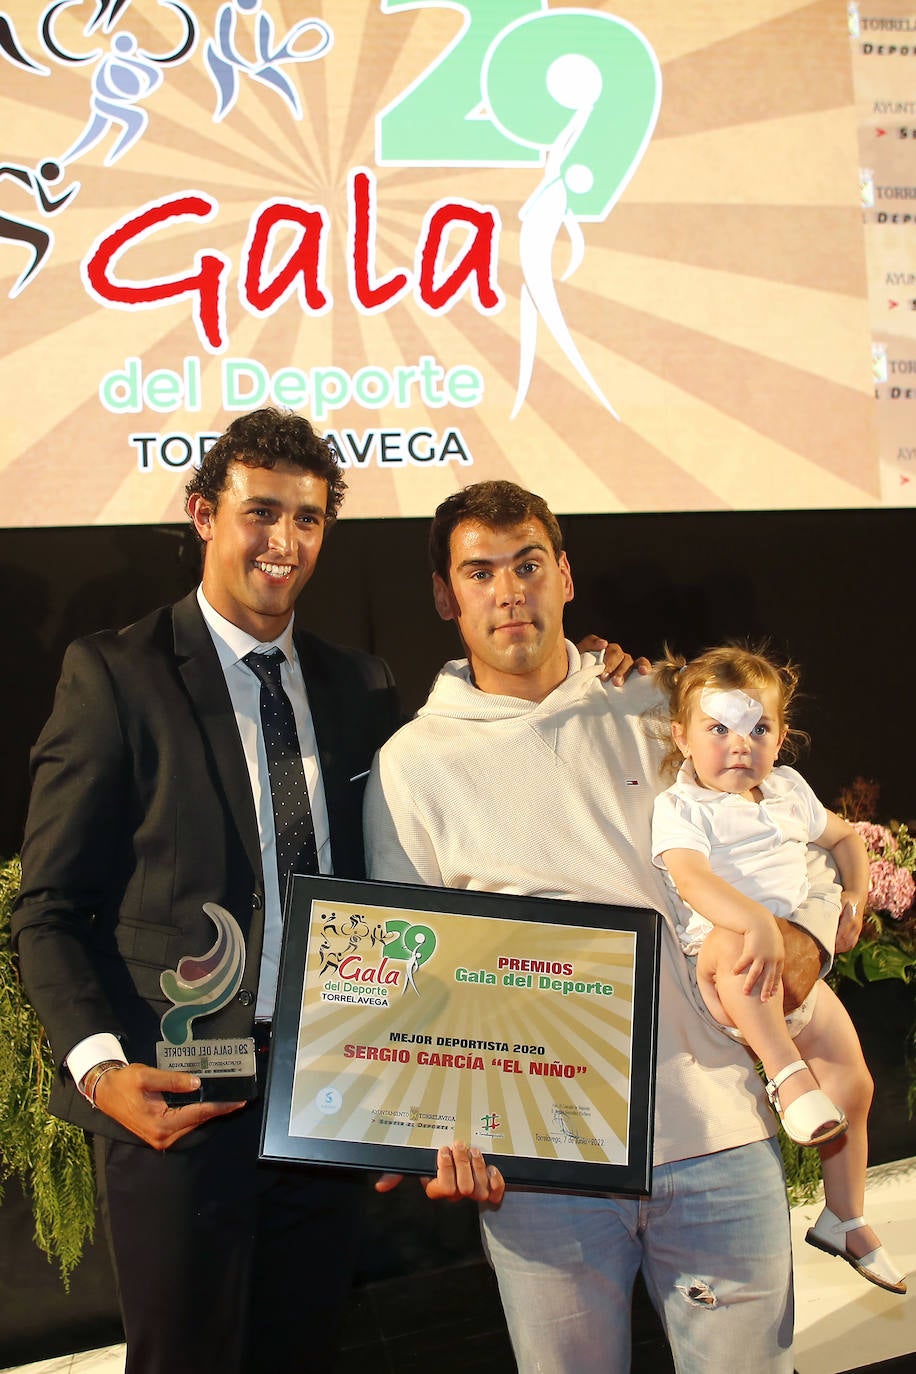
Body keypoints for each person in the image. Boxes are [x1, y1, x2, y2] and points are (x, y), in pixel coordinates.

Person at [364, 479, 852, 1374]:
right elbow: (410, 981)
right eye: (480, 572)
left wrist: (810, 940)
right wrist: (435, 1124)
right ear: (446, 596)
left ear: (566, 577)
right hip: (543, 1172)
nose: (509, 589)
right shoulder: (408, 769)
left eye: (529, 564)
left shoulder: (663, 704)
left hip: (718, 1132)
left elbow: (803, 836)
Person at [12, 407, 401, 1374]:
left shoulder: (361, 686)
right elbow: (49, 908)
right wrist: (100, 1072)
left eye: (308, 520)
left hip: (325, 1094)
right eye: (260, 513)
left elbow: (394, 894)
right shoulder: (116, 674)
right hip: (178, 1097)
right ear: (202, 515)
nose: (285, 542)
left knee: (300, 1354)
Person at [650, 645, 906, 1294]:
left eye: (758, 728)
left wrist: (854, 893)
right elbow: (691, 876)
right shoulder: (683, 807)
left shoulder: (789, 791)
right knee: (738, 949)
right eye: (719, 728)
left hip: (793, 978)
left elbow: (846, 838)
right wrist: (756, 921)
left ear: (782, 736)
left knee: (854, 1084)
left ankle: (844, 1218)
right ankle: (785, 1075)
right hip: (724, 973)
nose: (741, 744)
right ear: (681, 737)